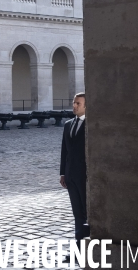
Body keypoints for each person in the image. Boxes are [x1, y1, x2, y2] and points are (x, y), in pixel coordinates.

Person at [60, 93, 89, 247]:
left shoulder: (91, 126)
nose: (75, 106)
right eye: (74, 103)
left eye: (78, 103)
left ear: (86, 106)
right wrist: (63, 173)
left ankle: (89, 247)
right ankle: (78, 247)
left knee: (87, 214)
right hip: (70, 176)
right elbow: (64, 151)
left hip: (84, 177)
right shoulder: (68, 125)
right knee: (77, 214)